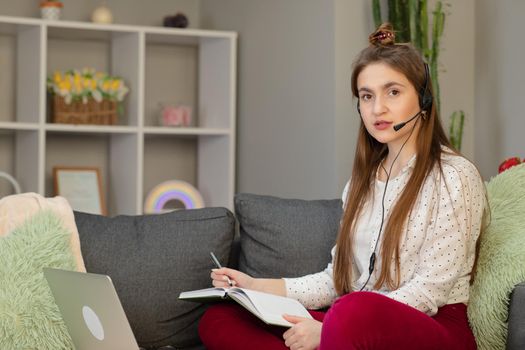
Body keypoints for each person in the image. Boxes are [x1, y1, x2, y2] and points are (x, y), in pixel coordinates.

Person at [198, 23, 486, 350]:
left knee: (351, 309)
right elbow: (337, 281)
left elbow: (428, 291)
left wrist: (332, 328)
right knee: (220, 317)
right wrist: (255, 286)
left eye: (393, 92)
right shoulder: (361, 184)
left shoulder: (454, 175)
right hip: (353, 320)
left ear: (423, 97)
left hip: (430, 325)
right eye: (367, 96)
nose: (377, 108)